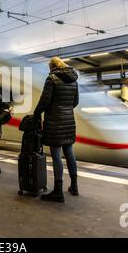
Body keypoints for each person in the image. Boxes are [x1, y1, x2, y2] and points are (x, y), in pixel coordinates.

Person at [34, 57, 79, 203]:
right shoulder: (73, 80)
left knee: (56, 156)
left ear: (52, 67)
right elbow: (75, 102)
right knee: (69, 153)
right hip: (69, 121)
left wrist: (36, 113)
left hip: (55, 122)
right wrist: (65, 109)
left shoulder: (52, 79)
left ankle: (58, 192)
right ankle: (74, 186)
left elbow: (45, 101)